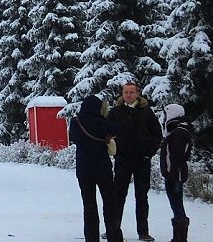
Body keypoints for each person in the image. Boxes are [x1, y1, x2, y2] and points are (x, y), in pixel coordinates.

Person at [106, 81, 163, 241]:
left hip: (141, 160)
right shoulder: (116, 112)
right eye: (125, 92)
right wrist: (116, 152)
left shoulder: (146, 112)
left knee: (142, 196)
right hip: (122, 159)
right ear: (122, 94)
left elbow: (157, 135)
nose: (128, 95)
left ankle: (143, 232)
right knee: (118, 196)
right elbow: (107, 133)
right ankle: (113, 230)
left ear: (137, 93)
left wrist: (148, 154)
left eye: (131, 92)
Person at [70, 95, 124, 242]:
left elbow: (74, 138)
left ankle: (91, 237)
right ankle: (114, 235)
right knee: (110, 203)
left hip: (84, 169)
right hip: (102, 168)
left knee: (89, 206)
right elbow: (118, 130)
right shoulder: (101, 122)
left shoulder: (76, 121)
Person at [160, 103, 192, 242]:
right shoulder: (175, 131)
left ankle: (180, 238)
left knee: (177, 205)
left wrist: (173, 173)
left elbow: (177, 155)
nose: (164, 118)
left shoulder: (178, 132)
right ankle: (178, 236)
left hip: (175, 174)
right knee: (176, 204)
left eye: (166, 114)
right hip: (172, 173)